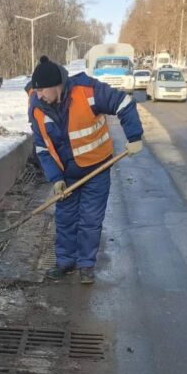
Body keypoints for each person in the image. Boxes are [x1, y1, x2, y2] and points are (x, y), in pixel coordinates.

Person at [27, 54, 143, 285]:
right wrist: (55, 178)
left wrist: (134, 136)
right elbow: (42, 148)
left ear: (56, 85)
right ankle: (65, 262)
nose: (38, 95)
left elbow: (124, 103)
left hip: (97, 168)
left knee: (90, 219)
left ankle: (86, 265)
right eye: (36, 91)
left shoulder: (88, 91)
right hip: (66, 174)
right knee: (65, 219)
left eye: (41, 90)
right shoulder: (37, 108)